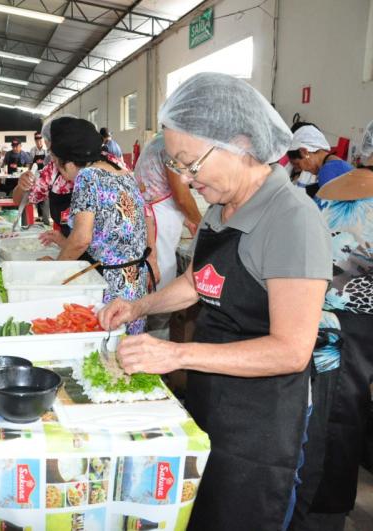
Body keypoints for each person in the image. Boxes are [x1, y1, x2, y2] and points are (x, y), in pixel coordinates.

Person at [97, 72, 332, 531]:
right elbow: (198, 281)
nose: (185, 179)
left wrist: (176, 353)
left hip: (265, 423)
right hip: (215, 398)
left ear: (238, 143)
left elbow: (291, 349)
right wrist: (139, 306)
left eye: (190, 164)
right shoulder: (222, 207)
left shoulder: (291, 219)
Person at [289, 119, 373, 531]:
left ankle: (312, 498)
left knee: (322, 413)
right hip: (356, 326)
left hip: (319, 317)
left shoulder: (325, 191)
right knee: (341, 418)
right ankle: (326, 510)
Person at [39, 117, 152, 334]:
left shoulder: (87, 177)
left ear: (70, 163)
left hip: (111, 289)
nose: (59, 171)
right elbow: (111, 234)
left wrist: (54, 273)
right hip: (135, 284)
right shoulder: (122, 173)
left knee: (108, 352)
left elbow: (82, 239)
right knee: (126, 352)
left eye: (57, 163)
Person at [133, 133, 202, 288]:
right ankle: (156, 311)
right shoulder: (173, 149)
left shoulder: (161, 140)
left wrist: (189, 219)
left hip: (157, 213)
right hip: (157, 219)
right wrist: (202, 223)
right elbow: (182, 197)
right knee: (161, 275)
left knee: (162, 270)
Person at [13, 116, 75, 235]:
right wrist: (22, 186)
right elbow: (19, 200)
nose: (52, 157)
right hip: (65, 241)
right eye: (50, 151)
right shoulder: (52, 171)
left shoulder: (97, 168)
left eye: (53, 150)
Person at [287, 124, 353, 195]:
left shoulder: (328, 171)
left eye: (298, 164)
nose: (301, 169)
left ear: (304, 152)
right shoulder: (336, 163)